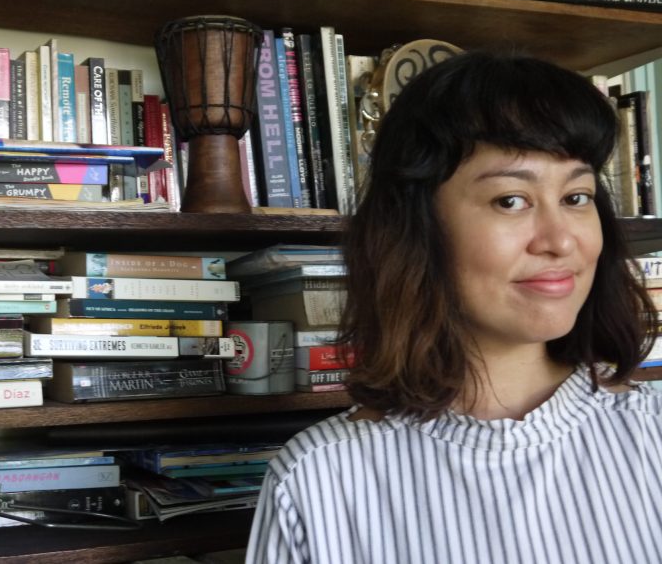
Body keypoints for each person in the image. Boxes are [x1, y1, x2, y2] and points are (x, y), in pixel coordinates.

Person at [245, 50, 662, 564]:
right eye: (511, 200)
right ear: (416, 228)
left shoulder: (654, 433)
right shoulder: (316, 480)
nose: (560, 241)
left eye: (577, 197)